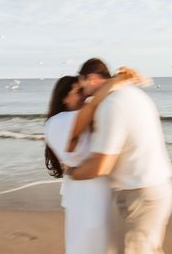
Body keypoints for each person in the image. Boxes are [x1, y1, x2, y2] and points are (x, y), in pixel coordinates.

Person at [66, 58, 172, 254]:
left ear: (89, 78)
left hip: (141, 194)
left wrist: (73, 172)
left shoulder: (112, 104)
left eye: (81, 84)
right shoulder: (131, 93)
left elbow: (101, 166)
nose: (81, 92)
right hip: (147, 190)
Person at [45, 69, 141, 254]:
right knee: (95, 244)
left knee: (85, 244)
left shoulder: (64, 122)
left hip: (84, 193)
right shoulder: (61, 121)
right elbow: (94, 109)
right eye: (79, 92)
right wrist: (113, 83)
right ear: (64, 98)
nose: (85, 97)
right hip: (91, 195)